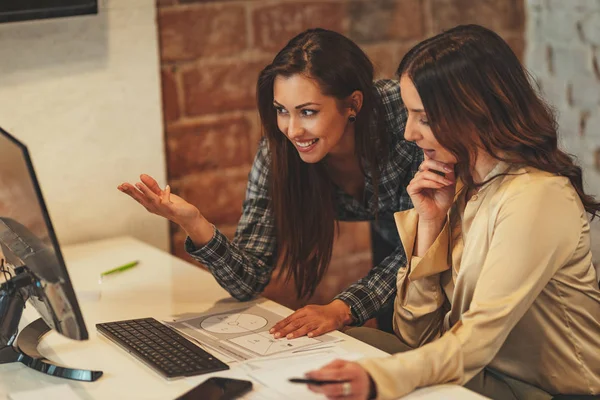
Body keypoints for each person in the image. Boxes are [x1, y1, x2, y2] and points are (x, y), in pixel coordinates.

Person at [305, 24, 600, 400]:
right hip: (481, 373)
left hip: (551, 390)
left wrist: (383, 378)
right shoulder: (458, 185)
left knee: (375, 367)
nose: (409, 133)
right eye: (409, 115)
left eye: (424, 118)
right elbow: (415, 334)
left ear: (476, 113)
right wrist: (429, 226)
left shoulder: (536, 196)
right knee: (354, 342)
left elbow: (477, 337)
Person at [117, 28, 422, 339]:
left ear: (353, 105)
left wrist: (342, 308)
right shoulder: (279, 153)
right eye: (281, 111)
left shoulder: (408, 119)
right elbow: (247, 280)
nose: (292, 130)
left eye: (308, 112)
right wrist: (194, 223)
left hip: (454, 246)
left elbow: (424, 246)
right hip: (398, 243)